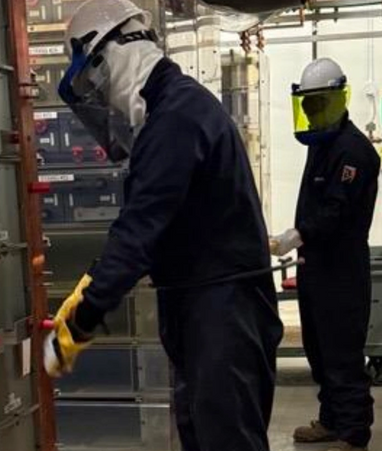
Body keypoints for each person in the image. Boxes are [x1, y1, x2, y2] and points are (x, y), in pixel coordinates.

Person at [46, 1, 284, 450]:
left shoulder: (177, 117)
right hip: (203, 303)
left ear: (110, 56)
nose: (102, 99)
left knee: (226, 440)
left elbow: (140, 229)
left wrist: (82, 316)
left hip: (223, 310)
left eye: (95, 84)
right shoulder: (174, 110)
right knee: (203, 434)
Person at [271, 58, 381, 451]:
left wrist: (297, 235)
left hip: (341, 271)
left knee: (341, 353)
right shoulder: (322, 144)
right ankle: (332, 420)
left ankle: (354, 432)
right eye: (308, 104)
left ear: (336, 100)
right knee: (319, 351)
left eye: (318, 103)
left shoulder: (354, 151)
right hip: (316, 267)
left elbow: (336, 210)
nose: (312, 111)